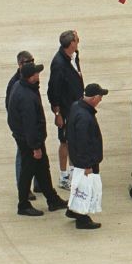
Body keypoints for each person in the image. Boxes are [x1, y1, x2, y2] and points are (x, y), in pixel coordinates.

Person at [8, 61, 69, 217]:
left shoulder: (22, 87)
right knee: (28, 171)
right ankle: (23, 204)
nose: (39, 74)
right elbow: (30, 123)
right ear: (31, 77)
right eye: (36, 73)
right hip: (30, 141)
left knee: (42, 168)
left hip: (28, 138)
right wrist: (35, 147)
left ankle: (52, 199)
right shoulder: (27, 96)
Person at [65, 83, 107, 230]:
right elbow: (83, 143)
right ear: (94, 98)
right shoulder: (84, 116)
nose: (101, 99)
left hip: (79, 158)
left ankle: (72, 210)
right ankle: (82, 219)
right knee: (85, 189)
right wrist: (87, 165)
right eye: (100, 97)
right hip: (86, 161)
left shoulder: (77, 106)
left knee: (78, 185)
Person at [47, 29, 83, 191]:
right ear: (71, 44)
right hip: (66, 109)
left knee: (74, 140)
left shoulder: (73, 56)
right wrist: (57, 113)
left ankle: (74, 173)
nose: (79, 41)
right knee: (65, 141)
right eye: (76, 39)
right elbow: (53, 91)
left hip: (75, 107)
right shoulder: (59, 64)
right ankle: (63, 176)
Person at [7, 50, 37, 206]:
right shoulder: (15, 84)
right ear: (19, 65)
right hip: (23, 131)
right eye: (27, 62)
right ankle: (23, 187)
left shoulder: (31, 78)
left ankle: (38, 183)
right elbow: (10, 109)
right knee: (23, 157)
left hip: (32, 128)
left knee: (38, 154)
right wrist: (20, 131)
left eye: (32, 60)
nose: (31, 64)